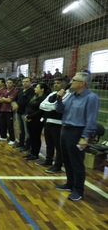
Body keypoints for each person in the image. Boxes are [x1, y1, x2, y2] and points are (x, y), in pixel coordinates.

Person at [55, 72, 100, 201]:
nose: (71, 82)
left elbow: (91, 119)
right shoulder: (71, 96)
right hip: (65, 131)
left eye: (73, 80)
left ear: (82, 83)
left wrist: (85, 137)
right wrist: (59, 99)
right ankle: (70, 184)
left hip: (77, 132)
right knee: (67, 160)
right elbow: (60, 110)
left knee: (77, 162)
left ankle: (78, 190)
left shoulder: (92, 97)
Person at [38, 77, 70, 173]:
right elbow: (41, 105)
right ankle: (48, 161)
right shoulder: (52, 94)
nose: (55, 84)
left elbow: (57, 107)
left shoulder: (68, 95)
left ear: (64, 84)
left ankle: (58, 165)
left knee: (58, 146)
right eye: (55, 83)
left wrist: (50, 107)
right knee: (49, 144)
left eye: (58, 83)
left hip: (58, 124)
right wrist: (51, 107)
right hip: (48, 122)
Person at [22, 83, 51, 161]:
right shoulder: (35, 96)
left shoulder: (44, 98)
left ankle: (35, 155)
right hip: (29, 119)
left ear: (42, 89)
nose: (35, 89)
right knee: (31, 136)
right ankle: (32, 152)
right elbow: (28, 106)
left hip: (37, 121)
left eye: (37, 87)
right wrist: (26, 115)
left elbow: (40, 111)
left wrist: (30, 116)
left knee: (36, 137)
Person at [11, 77, 35, 152]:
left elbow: (29, 102)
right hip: (19, 113)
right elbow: (14, 99)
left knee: (27, 131)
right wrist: (14, 104)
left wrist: (17, 104)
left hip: (26, 114)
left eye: (27, 81)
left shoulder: (32, 91)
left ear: (31, 82)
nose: (25, 83)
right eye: (23, 81)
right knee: (21, 130)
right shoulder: (20, 90)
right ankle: (21, 143)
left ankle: (27, 146)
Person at [0, 79, 18, 145]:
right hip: (3, 109)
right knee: (2, 124)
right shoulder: (5, 91)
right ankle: (3, 136)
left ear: (13, 84)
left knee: (10, 125)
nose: (8, 84)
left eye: (10, 83)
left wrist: (4, 99)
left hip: (10, 111)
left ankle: (12, 139)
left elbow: (10, 100)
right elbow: (0, 100)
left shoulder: (15, 91)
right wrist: (5, 99)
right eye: (8, 83)